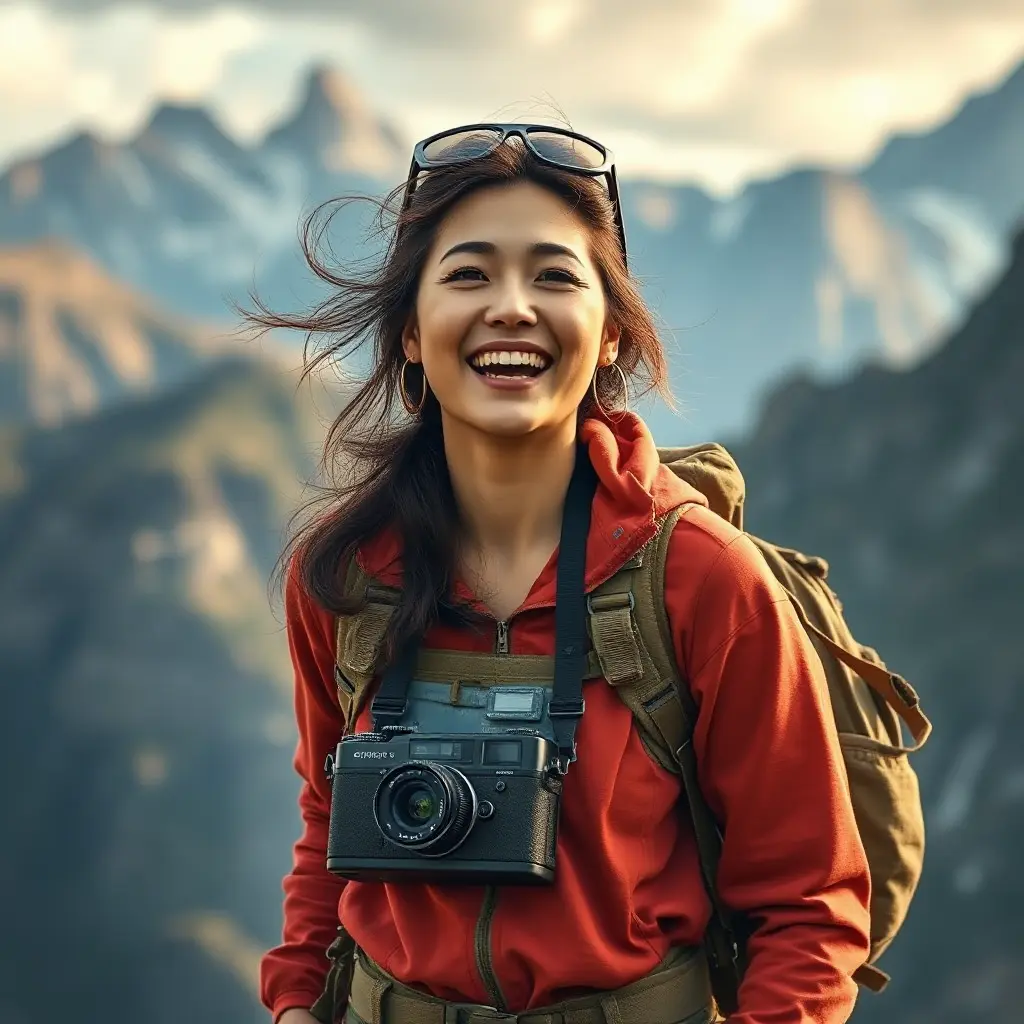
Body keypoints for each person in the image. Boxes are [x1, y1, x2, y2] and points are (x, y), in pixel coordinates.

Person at [255, 124, 871, 1024]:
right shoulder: (346, 579)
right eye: (468, 274)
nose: (511, 306)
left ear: (612, 336)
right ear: (411, 335)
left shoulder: (701, 581)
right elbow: (327, 827)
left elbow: (810, 905)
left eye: (554, 275)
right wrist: (297, 1003)